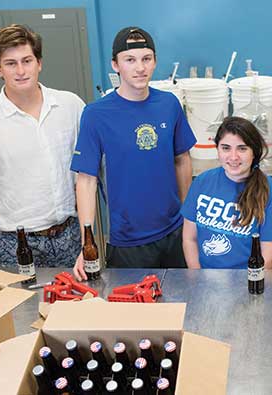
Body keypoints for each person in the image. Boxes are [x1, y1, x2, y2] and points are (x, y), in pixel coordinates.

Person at [0, 24, 85, 268]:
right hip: (16, 242)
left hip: (70, 236)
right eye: (11, 63)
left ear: (39, 63)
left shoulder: (71, 106)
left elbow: (88, 174)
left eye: (27, 60)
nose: (21, 70)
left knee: (79, 303)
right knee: (26, 307)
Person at [71, 26, 196, 279]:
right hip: (128, 242)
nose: (140, 68)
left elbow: (182, 160)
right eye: (130, 60)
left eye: (146, 59)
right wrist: (87, 241)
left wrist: (188, 218)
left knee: (181, 306)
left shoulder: (169, 104)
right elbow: (86, 180)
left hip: (174, 232)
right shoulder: (96, 114)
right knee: (135, 313)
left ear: (154, 62)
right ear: (115, 65)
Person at [181, 116, 272, 269]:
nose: (233, 157)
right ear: (217, 149)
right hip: (204, 282)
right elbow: (189, 239)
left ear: (254, 152)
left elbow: (270, 257)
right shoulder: (202, 182)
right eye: (226, 148)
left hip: (247, 284)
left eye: (242, 148)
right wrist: (198, 279)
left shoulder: (270, 192)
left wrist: (245, 289)